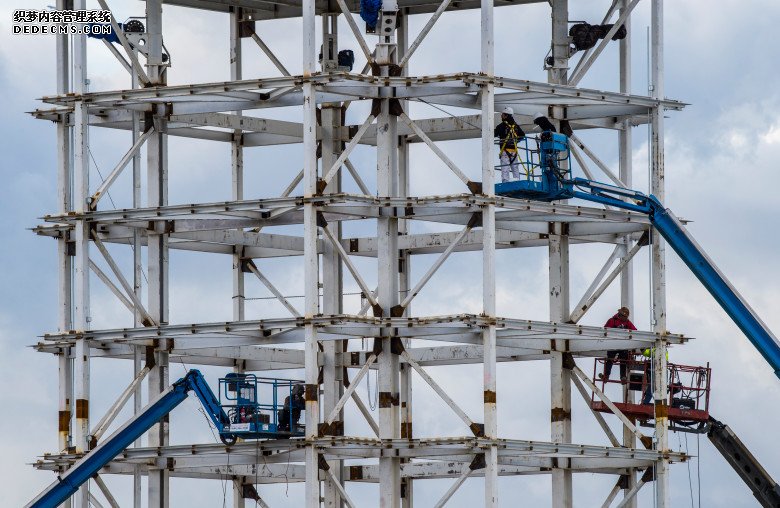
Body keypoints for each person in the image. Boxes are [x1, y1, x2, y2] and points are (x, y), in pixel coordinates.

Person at [599, 307, 637, 383]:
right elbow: (605, 331)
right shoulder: (612, 321)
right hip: (613, 344)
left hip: (623, 345)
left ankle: (623, 377)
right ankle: (606, 376)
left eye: (626, 317)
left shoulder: (627, 322)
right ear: (620, 315)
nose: (626, 318)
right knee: (610, 359)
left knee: (623, 360)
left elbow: (635, 331)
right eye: (625, 316)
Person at [494, 107, 526, 183]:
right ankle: (517, 181)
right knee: (515, 168)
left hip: (505, 151)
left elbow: (494, 134)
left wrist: (485, 131)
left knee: (505, 168)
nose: (501, 116)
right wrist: (515, 141)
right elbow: (523, 135)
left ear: (506, 115)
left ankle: (505, 182)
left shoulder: (501, 126)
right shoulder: (516, 126)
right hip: (514, 151)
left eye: (502, 115)